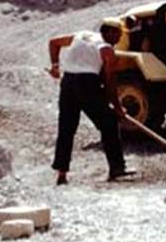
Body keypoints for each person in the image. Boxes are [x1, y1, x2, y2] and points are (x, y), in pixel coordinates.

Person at [47, 19, 136, 185]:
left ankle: (62, 172)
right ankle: (117, 168)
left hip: (68, 84)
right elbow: (110, 82)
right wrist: (118, 108)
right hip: (87, 85)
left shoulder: (81, 35)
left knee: (66, 127)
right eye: (118, 34)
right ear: (109, 32)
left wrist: (55, 65)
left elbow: (53, 42)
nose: (119, 39)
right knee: (109, 123)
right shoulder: (107, 50)